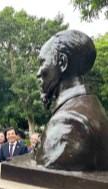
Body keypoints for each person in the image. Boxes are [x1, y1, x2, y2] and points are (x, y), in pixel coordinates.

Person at [35, 30, 108, 171]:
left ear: (62, 62)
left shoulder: (71, 123)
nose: (38, 72)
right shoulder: (91, 104)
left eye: (43, 62)